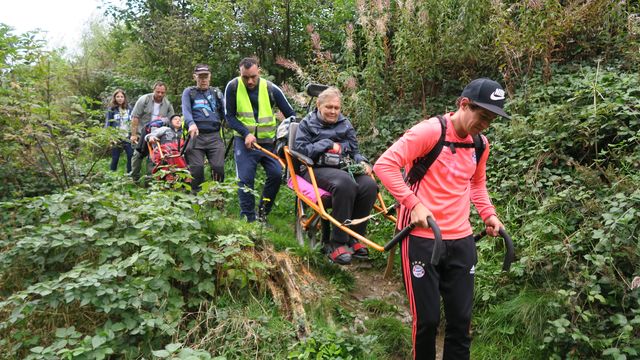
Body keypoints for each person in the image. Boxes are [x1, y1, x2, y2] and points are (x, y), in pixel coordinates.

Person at [373, 78, 511, 360]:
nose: (485, 124)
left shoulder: (480, 144)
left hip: (461, 239)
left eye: (491, 119)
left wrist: (489, 215)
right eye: (482, 116)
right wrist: (414, 204)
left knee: (461, 322)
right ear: (464, 104)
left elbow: (477, 184)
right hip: (422, 238)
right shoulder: (429, 131)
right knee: (427, 322)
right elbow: (384, 165)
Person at [294, 87, 377, 265]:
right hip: (313, 168)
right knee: (345, 184)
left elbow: (355, 151)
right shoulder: (307, 124)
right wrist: (327, 143)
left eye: (336, 108)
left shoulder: (345, 124)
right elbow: (300, 150)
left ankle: (355, 237)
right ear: (318, 105)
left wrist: (362, 162)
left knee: (369, 187)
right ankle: (336, 242)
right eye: (328, 107)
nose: (333, 111)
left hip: (341, 167)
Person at [224, 57, 296, 222]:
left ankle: (262, 214)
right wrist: (245, 133)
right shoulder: (233, 87)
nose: (250, 81)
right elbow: (229, 117)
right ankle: (248, 220)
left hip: (268, 144)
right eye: (245, 77)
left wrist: (283, 136)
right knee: (245, 179)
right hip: (245, 143)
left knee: (276, 175)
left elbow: (291, 115)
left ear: (259, 72)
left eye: (253, 77)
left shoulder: (271, 88)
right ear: (240, 73)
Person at [182, 64, 226, 192]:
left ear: (210, 77)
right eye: (200, 77)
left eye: (205, 76)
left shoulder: (216, 93)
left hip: (214, 136)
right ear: (194, 77)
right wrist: (191, 123)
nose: (203, 80)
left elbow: (226, 113)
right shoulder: (189, 92)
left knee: (218, 167)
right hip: (196, 136)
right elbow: (186, 110)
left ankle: (217, 198)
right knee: (196, 168)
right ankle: (195, 198)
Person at [129, 81, 175, 182]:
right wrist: (134, 134)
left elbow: (173, 120)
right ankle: (134, 179)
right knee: (137, 155)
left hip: (156, 134)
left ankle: (150, 182)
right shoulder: (144, 99)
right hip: (142, 132)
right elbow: (135, 117)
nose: (160, 95)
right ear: (153, 90)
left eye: (162, 93)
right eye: (158, 92)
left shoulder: (167, 104)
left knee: (153, 157)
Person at [105, 88, 133, 173]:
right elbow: (107, 124)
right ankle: (112, 174)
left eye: (121, 96)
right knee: (115, 157)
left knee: (130, 155)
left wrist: (134, 134)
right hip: (116, 137)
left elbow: (133, 122)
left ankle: (130, 174)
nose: (120, 98)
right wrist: (110, 137)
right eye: (118, 97)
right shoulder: (111, 109)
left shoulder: (129, 108)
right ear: (115, 98)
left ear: (124, 98)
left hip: (127, 136)